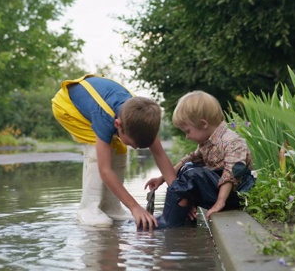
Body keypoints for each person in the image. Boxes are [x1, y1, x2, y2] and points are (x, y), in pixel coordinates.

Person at [51, 74, 177, 230]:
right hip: (67, 106)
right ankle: (88, 209)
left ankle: (111, 207)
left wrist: (179, 197)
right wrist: (134, 207)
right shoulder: (105, 117)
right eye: (133, 144)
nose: (135, 148)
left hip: (98, 105)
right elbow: (105, 170)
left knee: (119, 148)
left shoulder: (143, 119)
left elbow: (160, 155)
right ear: (118, 124)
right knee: (98, 150)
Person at [145, 90, 256, 228]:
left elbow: (232, 174)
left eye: (187, 131)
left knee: (193, 175)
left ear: (203, 124)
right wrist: (162, 178)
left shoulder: (232, 141)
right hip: (219, 187)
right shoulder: (208, 142)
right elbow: (189, 159)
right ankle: (183, 218)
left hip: (233, 194)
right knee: (187, 167)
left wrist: (220, 202)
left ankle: (170, 222)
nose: (187, 137)